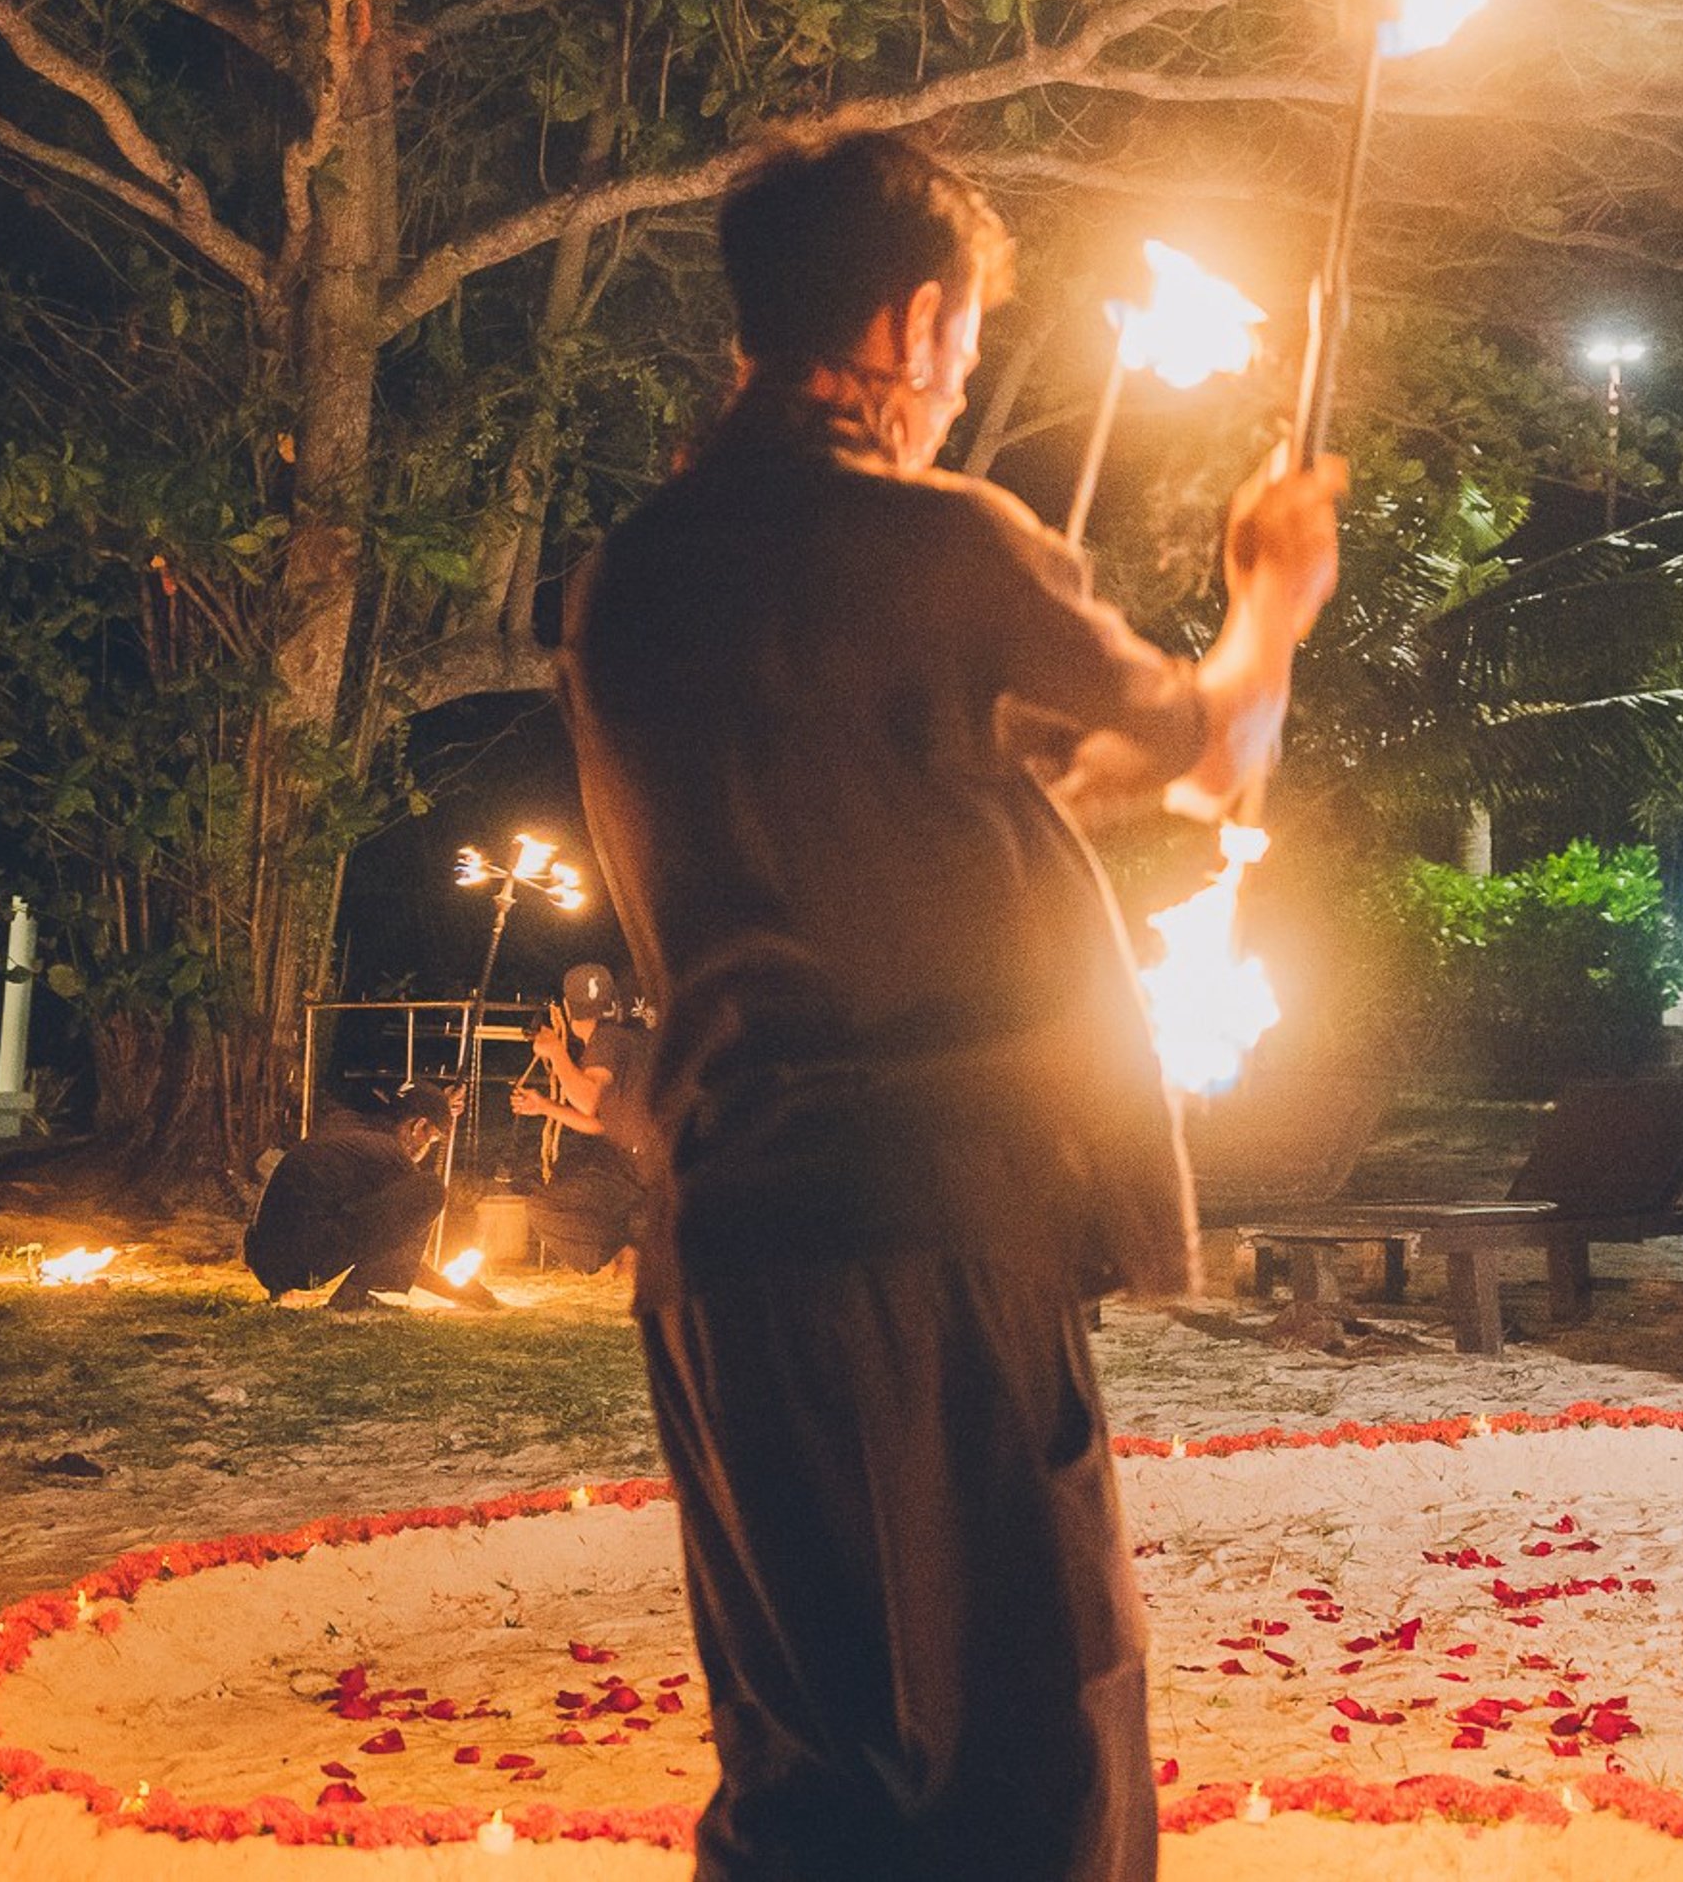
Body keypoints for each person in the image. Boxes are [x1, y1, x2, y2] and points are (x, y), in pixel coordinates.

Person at [559, 131, 1344, 1882]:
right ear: (913, 324)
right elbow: (1218, 759)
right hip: (933, 1228)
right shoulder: (939, 541)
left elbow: (967, 784)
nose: (959, 380)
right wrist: (1270, 597)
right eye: (971, 343)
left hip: (724, 1240)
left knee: (801, 1780)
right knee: (1030, 1760)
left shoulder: (636, 578)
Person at [244, 1083, 500, 1311]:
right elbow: (396, 1248)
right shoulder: (387, 1155)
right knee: (429, 1191)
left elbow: (375, 1233)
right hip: (297, 1264)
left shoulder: (347, 1127)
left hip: (263, 1260)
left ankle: (354, 1291)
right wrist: (458, 1290)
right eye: (431, 1139)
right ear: (419, 1126)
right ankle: (375, 1295)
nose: (425, 1150)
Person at [508, 961, 650, 1273]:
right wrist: (545, 1106)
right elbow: (600, 1122)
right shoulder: (625, 1038)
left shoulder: (605, 1040)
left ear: (569, 1012)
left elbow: (587, 1101)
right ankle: (633, 1243)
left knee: (546, 1208)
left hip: (645, 1169)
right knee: (573, 1175)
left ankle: (629, 1246)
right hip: (645, 1163)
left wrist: (556, 1051)